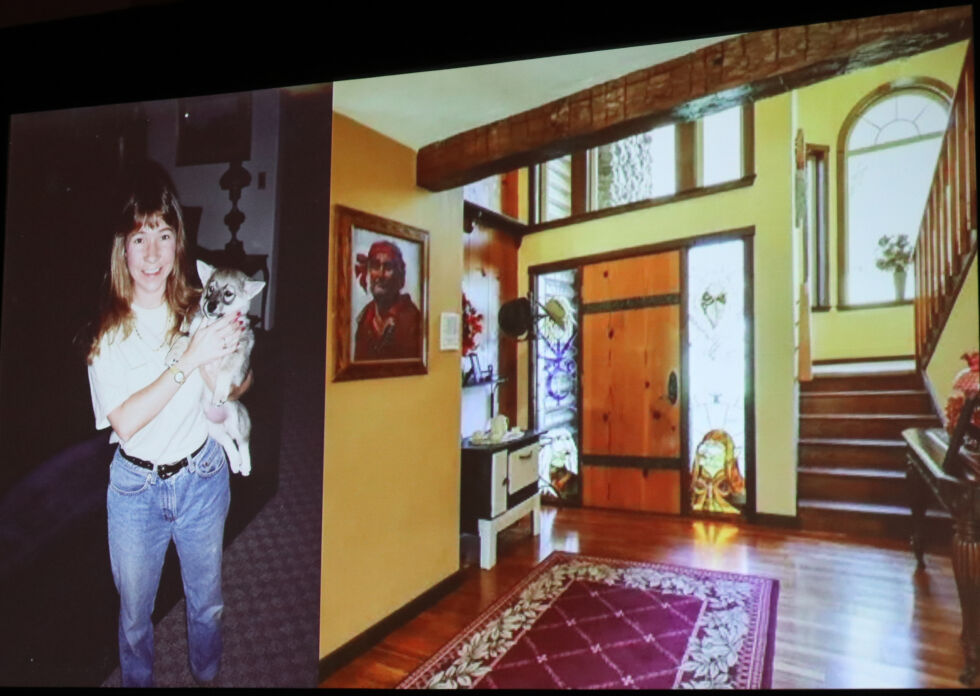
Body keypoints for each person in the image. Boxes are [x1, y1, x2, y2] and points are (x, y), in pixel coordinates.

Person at [86, 161, 248, 687]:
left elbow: (241, 379)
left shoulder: (203, 305)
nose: (152, 253)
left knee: (209, 606)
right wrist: (187, 358)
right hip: (135, 491)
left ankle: (207, 674)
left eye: (163, 234)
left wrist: (234, 357)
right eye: (138, 238)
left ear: (179, 242)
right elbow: (126, 421)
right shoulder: (106, 334)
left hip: (202, 477)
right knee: (135, 620)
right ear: (123, 249)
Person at [353, 240, 421, 360]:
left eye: (388, 267)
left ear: (399, 275)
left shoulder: (412, 318)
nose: (380, 274)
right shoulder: (364, 319)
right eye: (375, 266)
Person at [690, 429, 745, 514]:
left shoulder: (739, 487)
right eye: (706, 456)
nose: (710, 462)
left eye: (715, 457)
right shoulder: (692, 482)